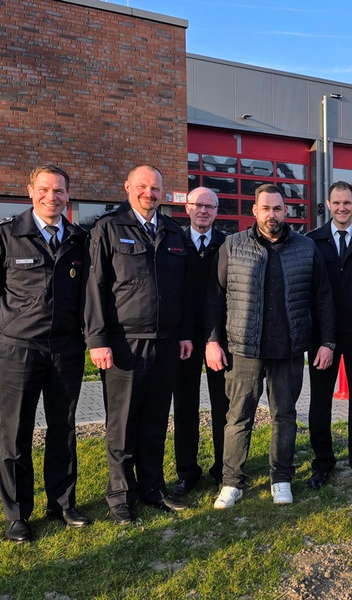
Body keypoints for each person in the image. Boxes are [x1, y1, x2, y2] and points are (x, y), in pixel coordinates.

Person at [206, 184, 335, 508]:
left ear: (285, 211)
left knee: (285, 416)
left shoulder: (306, 248)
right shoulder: (232, 246)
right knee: (238, 418)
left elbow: (322, 298)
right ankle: (231, 482)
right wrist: (211, 341)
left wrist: (327, 342)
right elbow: (214, 297)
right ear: (255, 211)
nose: (272, 215)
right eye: (266, 208)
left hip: (289, 350)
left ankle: (282, 479)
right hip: (244, 350)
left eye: (277, 209)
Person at [84, 164, 193, 525]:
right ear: (128, 186)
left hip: (165, 344)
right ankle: (120, 496)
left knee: (155, 422)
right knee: (123, 425)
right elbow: (95, 287)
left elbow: (184, 292)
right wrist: (97, 340)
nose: (149, 193)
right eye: (143, 186)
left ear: (163, 193)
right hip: (124, 345)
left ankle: (152, 488)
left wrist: (185, 334)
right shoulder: (109, 228)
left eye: (156, 188)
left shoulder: (174, 232)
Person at [0, 166, 90, 543]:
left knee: (63, 429)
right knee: (15, 433)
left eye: (59, 190)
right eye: (44, 189)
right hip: (18, 350)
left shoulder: (79, 240)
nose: (51, 196)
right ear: (30, 191)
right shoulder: (8, 236)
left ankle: (62, 502)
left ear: (68, 195)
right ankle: (18, 514)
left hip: (67, 350)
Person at [306, 182, 352, 492]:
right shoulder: (312, 241)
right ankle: (322, 463)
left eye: (347, 202)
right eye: (336, 202)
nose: (342, 208)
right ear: (328, 204)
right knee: (320, 400)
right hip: (321, 336)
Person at [171, 187, 229, 496]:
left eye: (209, 206)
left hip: (219, 339)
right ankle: (187, 472)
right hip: (184, 339)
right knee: (185, 406)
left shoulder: (228, 244)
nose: (203, 210)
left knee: (223, 406)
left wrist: (217, 338)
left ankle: (223, 469)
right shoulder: (173, 241)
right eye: (198, 205)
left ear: (217, 211)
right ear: (187, 208)